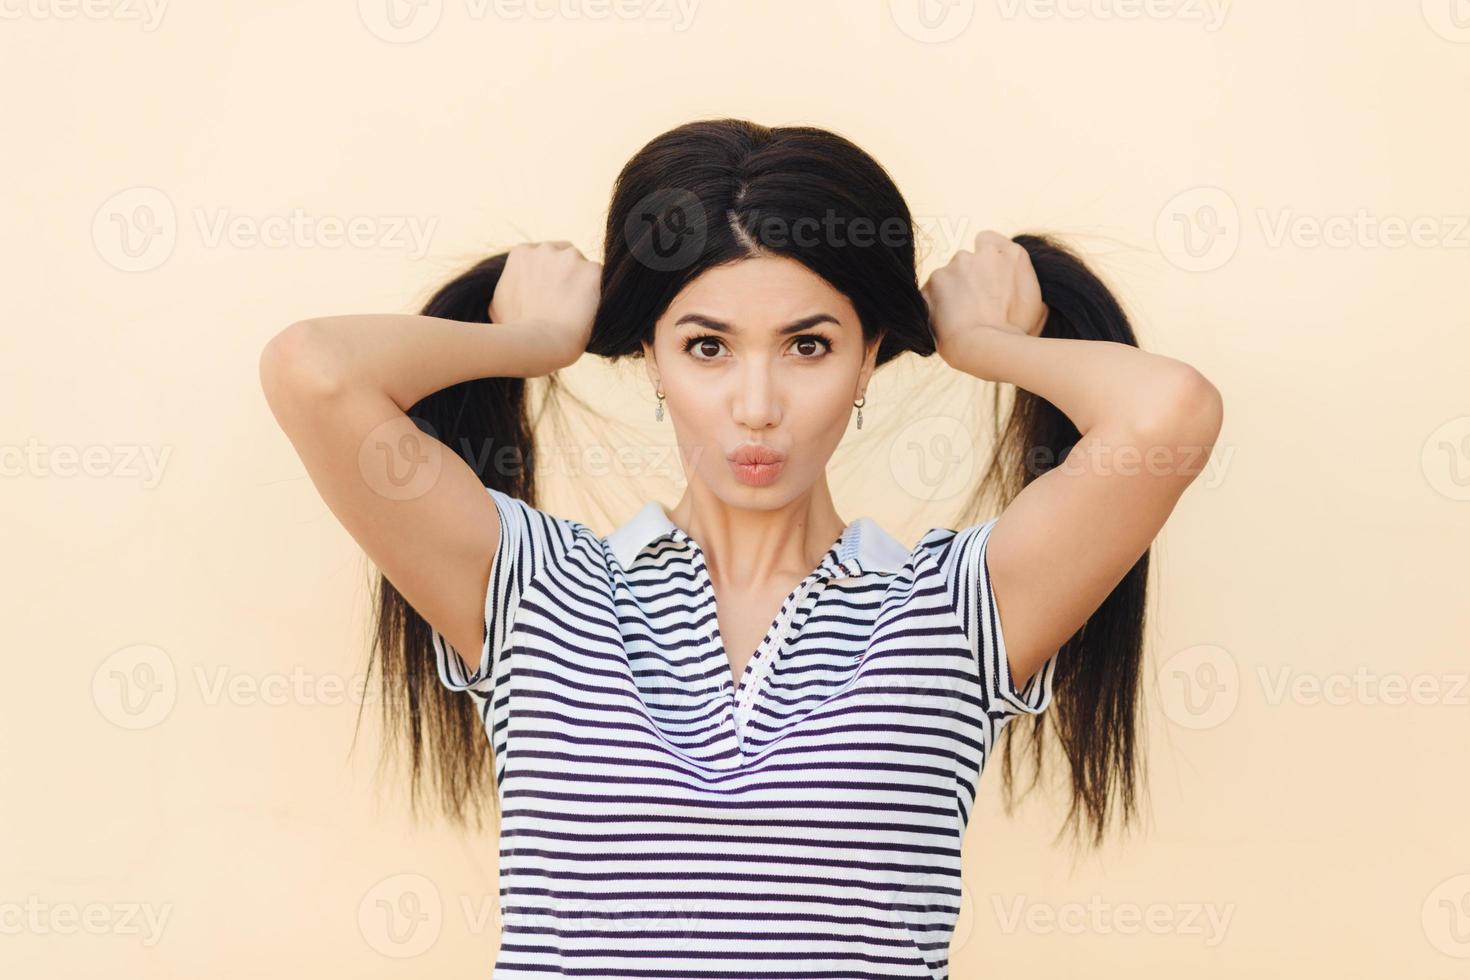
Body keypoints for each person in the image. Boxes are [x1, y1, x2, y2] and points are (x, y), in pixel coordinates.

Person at [259, 118, 1222, 977]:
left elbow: (1169, 412)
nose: (756, 408)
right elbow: (313, 371)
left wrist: (979, 342)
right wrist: (541, 338)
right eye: (706, 346)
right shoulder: (527, 589)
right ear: (651, 358)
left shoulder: (960, 609)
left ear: (869, 355)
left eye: (808, 346)